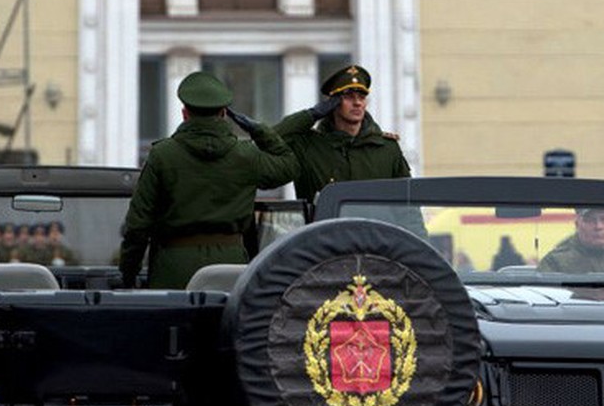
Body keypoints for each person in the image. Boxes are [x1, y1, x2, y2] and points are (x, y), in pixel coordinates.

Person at [119, 71, 298, 289]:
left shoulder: (162, 155)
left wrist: (129, 274)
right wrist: (258, 130)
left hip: (173, 268)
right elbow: (289, 165)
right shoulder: (246, 156)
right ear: (224, 113)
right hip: (230, 267)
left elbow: (138, 224)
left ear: (185, 114)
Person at [273, 64, 411, 204]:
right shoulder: (309, 146)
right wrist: (311, 115)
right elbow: (269, 140)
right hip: (325, 226)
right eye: (349, 97)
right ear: (334, 103)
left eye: (362, 97)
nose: (357, 103)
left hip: (374, 226)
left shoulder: (387, 148)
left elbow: (407, 204)